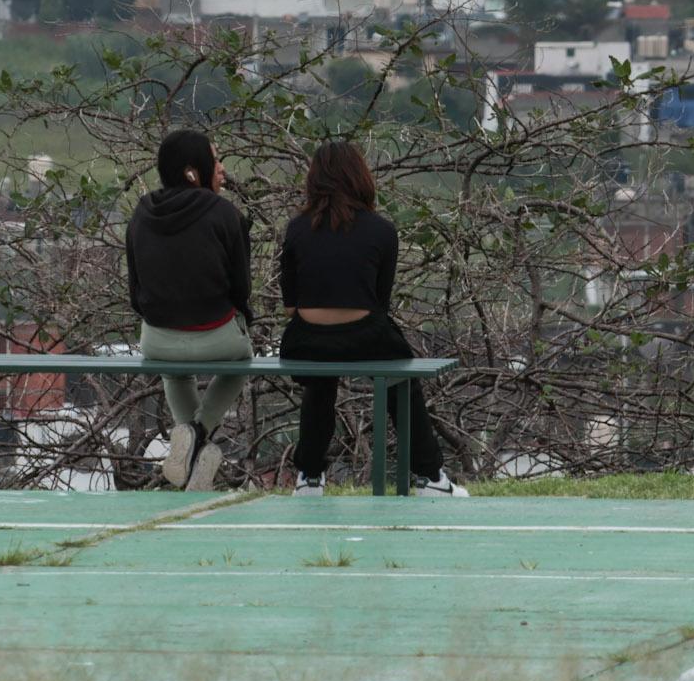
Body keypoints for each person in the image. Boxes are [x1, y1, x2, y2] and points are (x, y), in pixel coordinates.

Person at [278, 138, 466, 498]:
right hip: (365, 334)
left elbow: (290, 307)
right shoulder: (382, 230)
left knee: (319, 380)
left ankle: (309, 477)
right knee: (402, 381)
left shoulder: (297, 228)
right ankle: (430, 477)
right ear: (359, 177)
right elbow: (379, 302)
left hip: (307, 339)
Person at [124, 126, 252, 489]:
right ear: (193, 172)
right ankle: (198, 430)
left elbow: (135, 288)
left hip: (158, 341)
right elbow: (241, 289)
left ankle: (190, 448)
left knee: (175, 371)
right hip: (218, 339)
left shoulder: (141, 212)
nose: (222, 168)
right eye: (216, 160)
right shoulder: (225, 213)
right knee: (242, 360)